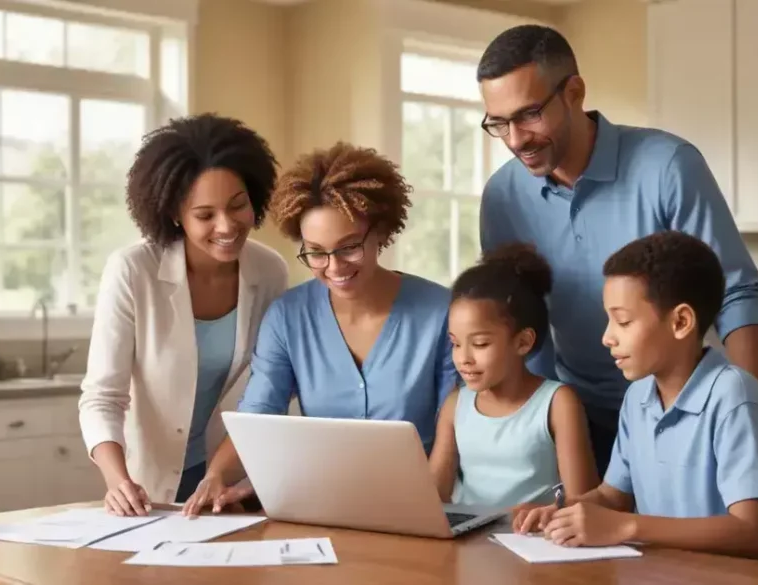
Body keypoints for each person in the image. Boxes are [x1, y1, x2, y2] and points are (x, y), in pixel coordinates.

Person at [475, 24, 758, 482]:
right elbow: (522, 325)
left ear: (574, 92)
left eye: (529, 114)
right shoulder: (502, 197)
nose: (514, 139)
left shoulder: (668, 166)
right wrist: (535, 429)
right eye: (498, 123)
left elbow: (736, 295)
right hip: (575, 420)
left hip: (683, 412)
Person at [181, 141, 460, 516]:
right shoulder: (288, 317)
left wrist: (431, 507)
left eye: (349, 247)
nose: (334, 267)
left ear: (380, 231)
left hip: (419, 504)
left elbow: (452, 426)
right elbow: (257, 417)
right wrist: (216, 475)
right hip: (322, 505)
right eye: (316, 251)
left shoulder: (441, 312)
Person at [514, 231, 758, 569]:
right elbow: (612, 496)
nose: (607, 337)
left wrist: (627, 526)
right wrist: (564, 512)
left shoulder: (735, 398)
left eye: (623, 321)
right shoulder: (638, 396)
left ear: (681, 322)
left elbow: (754, 535)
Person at [78, 114, 288, 515]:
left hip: (230, 476)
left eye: (238, 205)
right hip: (149, 482)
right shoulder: (133, 270)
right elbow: (102, 396)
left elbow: (266, 387)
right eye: (205, 215)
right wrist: (118, 482)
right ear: (175, 214)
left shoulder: (269, 271)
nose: (226, 226)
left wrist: (223, 473)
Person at [429, 243, 599, 509]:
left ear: (523, 342)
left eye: (480, 344)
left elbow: (583, 504)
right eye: (456, 343)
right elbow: (433, 494)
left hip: (537, 533)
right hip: (469, 532)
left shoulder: (557, 403)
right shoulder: (456, 403)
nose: (463, 358)